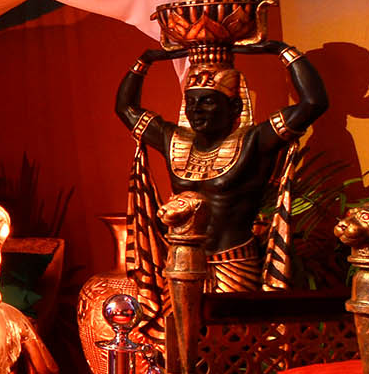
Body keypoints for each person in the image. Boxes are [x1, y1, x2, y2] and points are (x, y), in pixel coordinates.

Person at [116, 37, 326, 292]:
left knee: (234, 319)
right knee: (177, 319)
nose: (196, 110)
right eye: (191, 102)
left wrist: (282, 51)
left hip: (234, 264)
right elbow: (125, 108)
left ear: (235, 106)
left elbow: (313, 103)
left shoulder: (254, 142)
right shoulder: (173, 139)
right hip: (182, 263)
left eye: (207, 101)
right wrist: (144, 61)